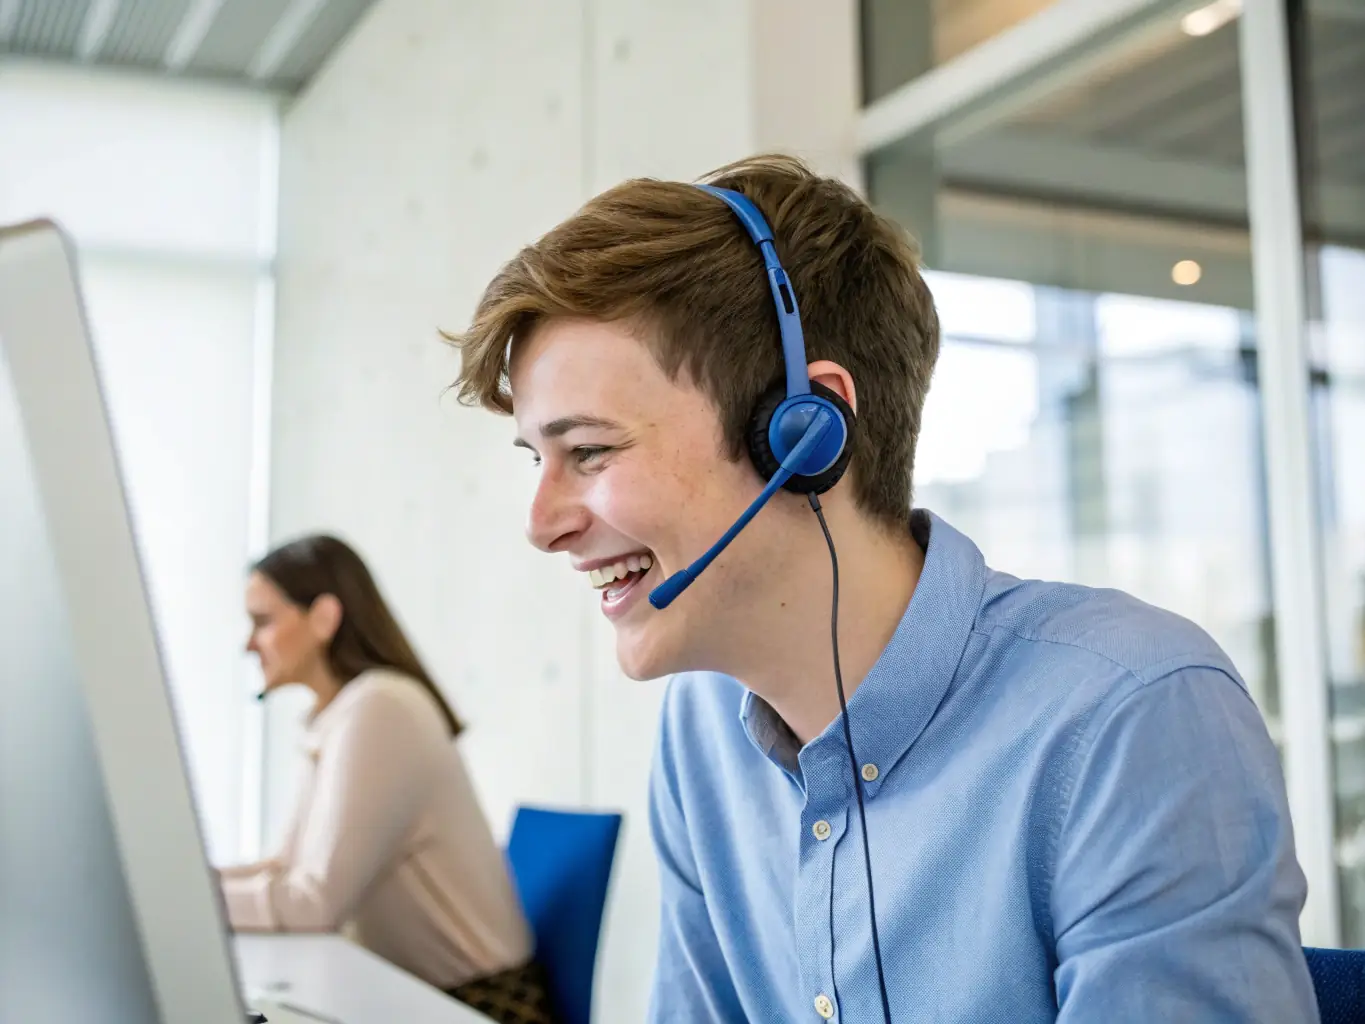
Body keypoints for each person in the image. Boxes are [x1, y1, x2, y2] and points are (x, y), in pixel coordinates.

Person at [443, 154, 1320, 1022]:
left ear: (804, 431)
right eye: (537, 459)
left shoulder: (1130, 717)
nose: (541, 521)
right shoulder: (701, 729)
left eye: (589, 451)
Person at [217, 534, 553, 1024]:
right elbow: (286, 868)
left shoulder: (380, 708)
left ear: (324, 618)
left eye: (263, 621)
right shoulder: (339, 715)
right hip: (419, 997)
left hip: (477, 1008)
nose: (249, 644)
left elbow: (312, 904)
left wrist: (191, 900)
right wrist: (194, 885)